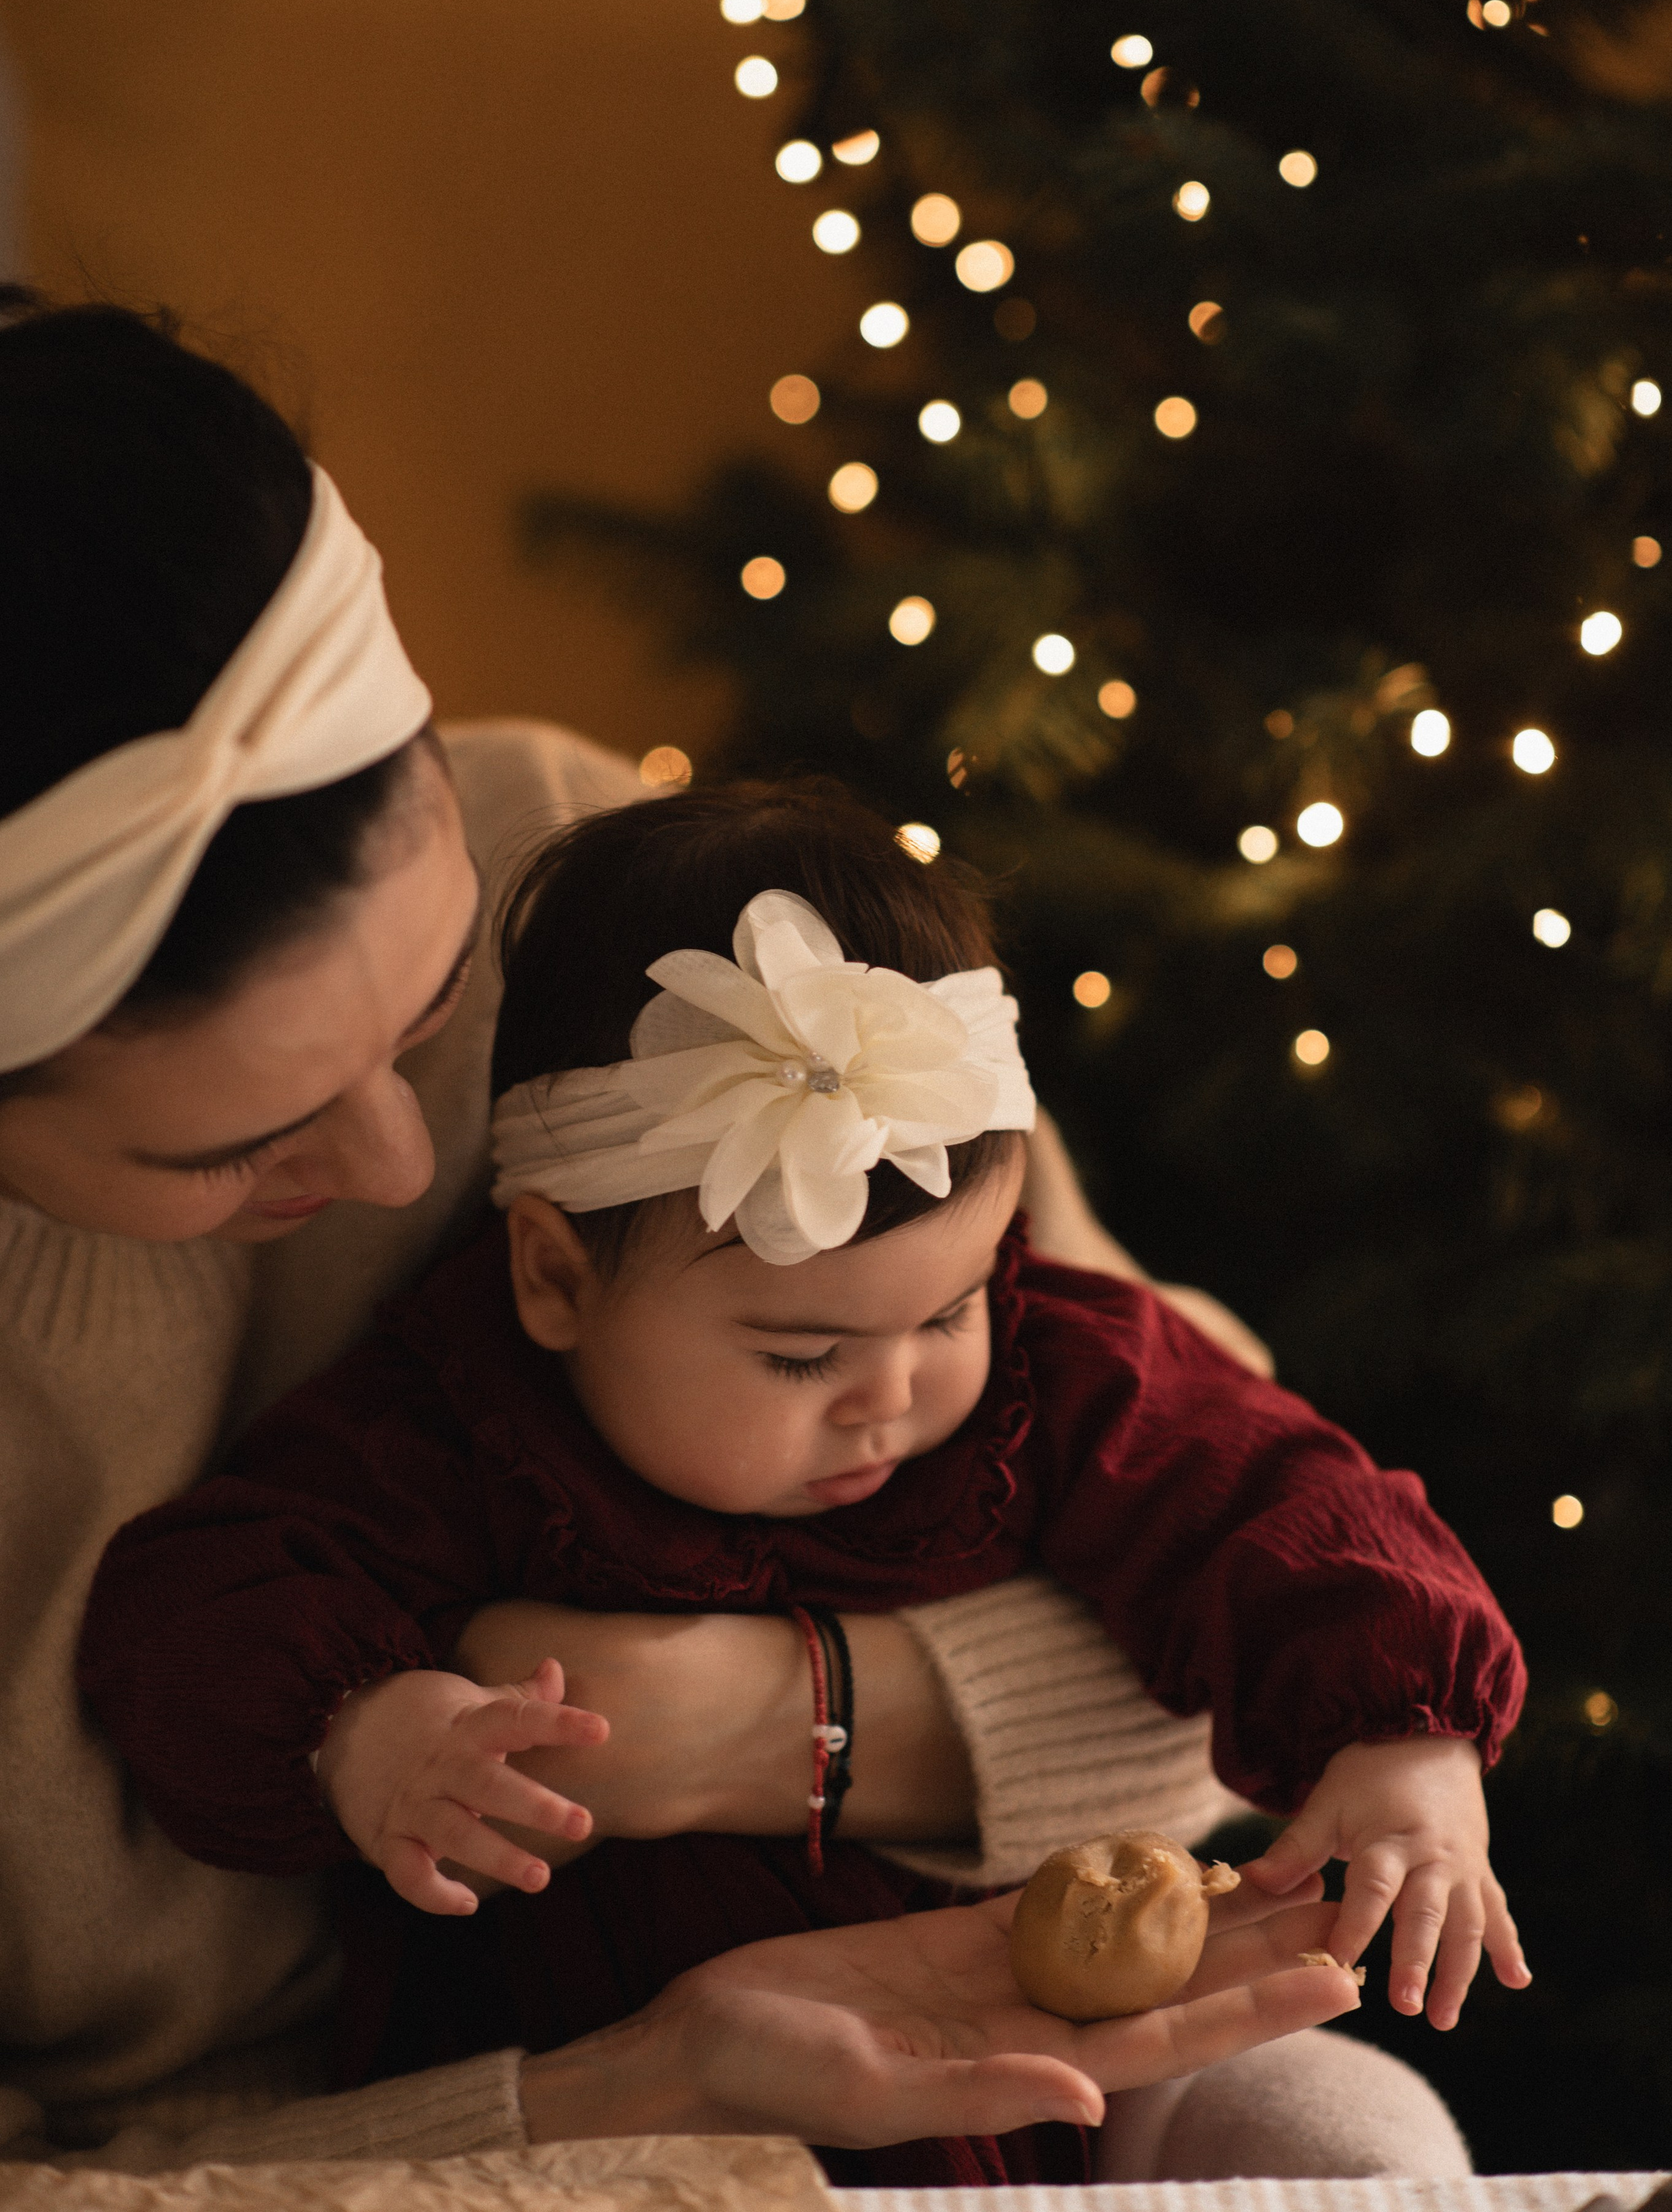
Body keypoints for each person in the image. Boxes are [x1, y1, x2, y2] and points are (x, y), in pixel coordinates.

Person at [0, 292, 1411, 2181]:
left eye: (431, 1009)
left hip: (999, 2014)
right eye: (234, 1145)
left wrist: (760, 1724)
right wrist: (629, 2092)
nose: (421, 1169)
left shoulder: (660, 934)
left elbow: (1212, 1576)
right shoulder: (404, 1435)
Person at [82, 782, 1530, 2189]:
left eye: (948, 1309)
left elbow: (1274, 1493)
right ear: (552, 1277)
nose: (894, 1394)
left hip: (1084, 2046)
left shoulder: (1046, 1358)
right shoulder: (446, 1422)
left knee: (1339, 2123)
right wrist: (362, 1733)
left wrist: (1403, 1742)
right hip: (639, 2110)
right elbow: (200, 1598)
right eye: (800, 1353)